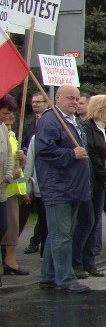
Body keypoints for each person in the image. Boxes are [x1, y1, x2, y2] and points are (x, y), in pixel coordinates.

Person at [35, 85, 92, 293]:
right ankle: (65, 279)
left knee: (58, 234)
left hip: (72, 187)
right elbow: (44, 150)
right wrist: (70, 154)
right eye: (70, 98)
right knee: (62, 236)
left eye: (77, 99)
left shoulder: (73, 121)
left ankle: (49, 275)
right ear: (57, 98)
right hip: (58, 187)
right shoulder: (51, 120)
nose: (74, 102)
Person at [76, 94, 106, 278]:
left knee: (94, 223)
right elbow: (91, 156)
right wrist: (105, 175)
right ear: (100, 110)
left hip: (101, 182)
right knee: (85, 222)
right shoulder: (87, 129)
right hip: (89, 182)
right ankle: (77, 262)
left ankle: (90, 261)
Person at [2, 109, 29, 277]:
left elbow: (16, 161)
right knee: (9, 228)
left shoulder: (11, 136)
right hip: (6, 187)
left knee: (12, 227)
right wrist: (11, 174)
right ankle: (9, 261)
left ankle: (10, 261)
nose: (8, 124)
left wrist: (22, 157)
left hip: (15, 188)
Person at [21, 92, 48, 254]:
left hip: (47, 179)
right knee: (42, 215)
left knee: (45, 218)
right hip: (34, 176)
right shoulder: (29, 124)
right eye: (33, 102)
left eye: (38, 101)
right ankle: (36, 242)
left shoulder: (51, 121)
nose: (35, 104)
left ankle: (40, 244)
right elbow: (26, 145)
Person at [0, 95, 18, 287]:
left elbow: (9, 157)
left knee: (3, 227)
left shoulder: (3, 129)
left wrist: (7, 176)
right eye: (5, 110)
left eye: (10, 111)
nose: (8, 115)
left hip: (2, 188)